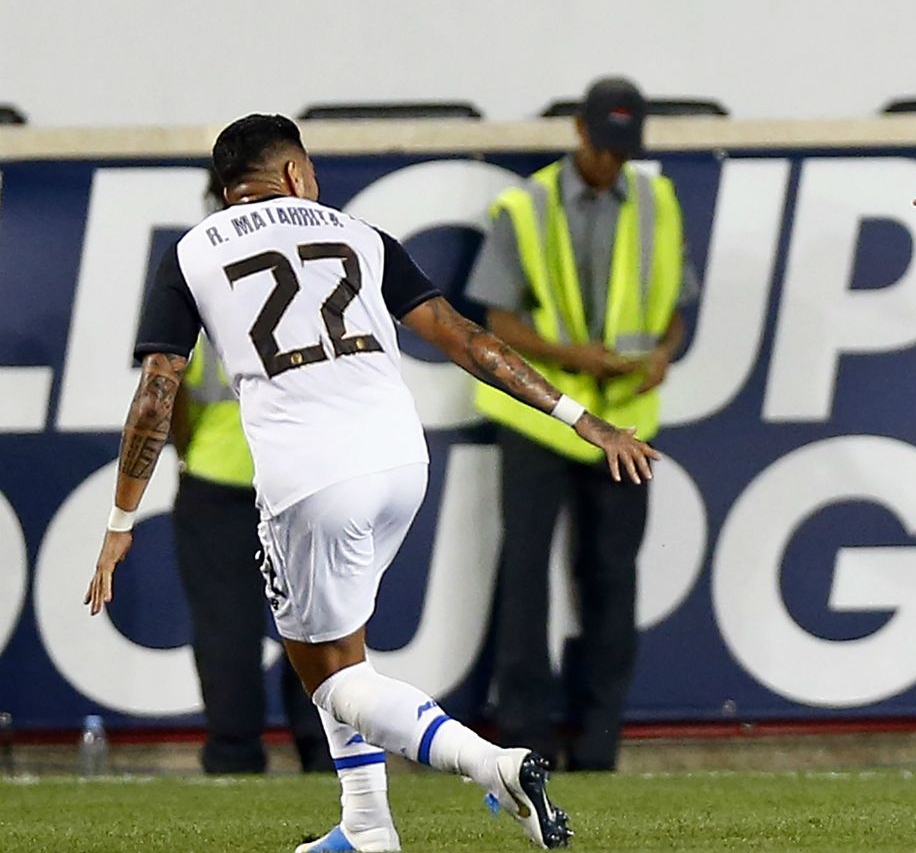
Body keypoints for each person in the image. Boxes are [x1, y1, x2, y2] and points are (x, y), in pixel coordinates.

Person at [87, 113, 661, 851]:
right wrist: (582, 418)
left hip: (311, 478)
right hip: (399, 462)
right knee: (342, 645)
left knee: (324, 674)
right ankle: (366, 823)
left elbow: (157, 391)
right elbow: (468, 339)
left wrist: (119, 520)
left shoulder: (193, 251)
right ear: (294, 173)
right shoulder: (358, 234)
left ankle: (495, 765)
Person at [466, 75, 688, 771]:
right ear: (579, 134)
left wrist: (662, 355)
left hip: (626, 415)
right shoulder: (523, 206)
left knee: (612, 577)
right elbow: (496, 321)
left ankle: (599, 741)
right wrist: (574, 358)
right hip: (541, 417)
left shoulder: (658, 200)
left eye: (625, 150)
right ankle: (526, 736)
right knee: (526, 573)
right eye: (603, 148)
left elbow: (678, 303)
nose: (611, 163)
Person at [170, 317, 330, 776]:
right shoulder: (308, 298)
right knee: (319, 623)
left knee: (226, 629)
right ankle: (324, 754)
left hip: (216, 473)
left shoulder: (201, 294)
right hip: (301, 478)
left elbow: (168, 386)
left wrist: (187, 453)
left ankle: (233, 756)